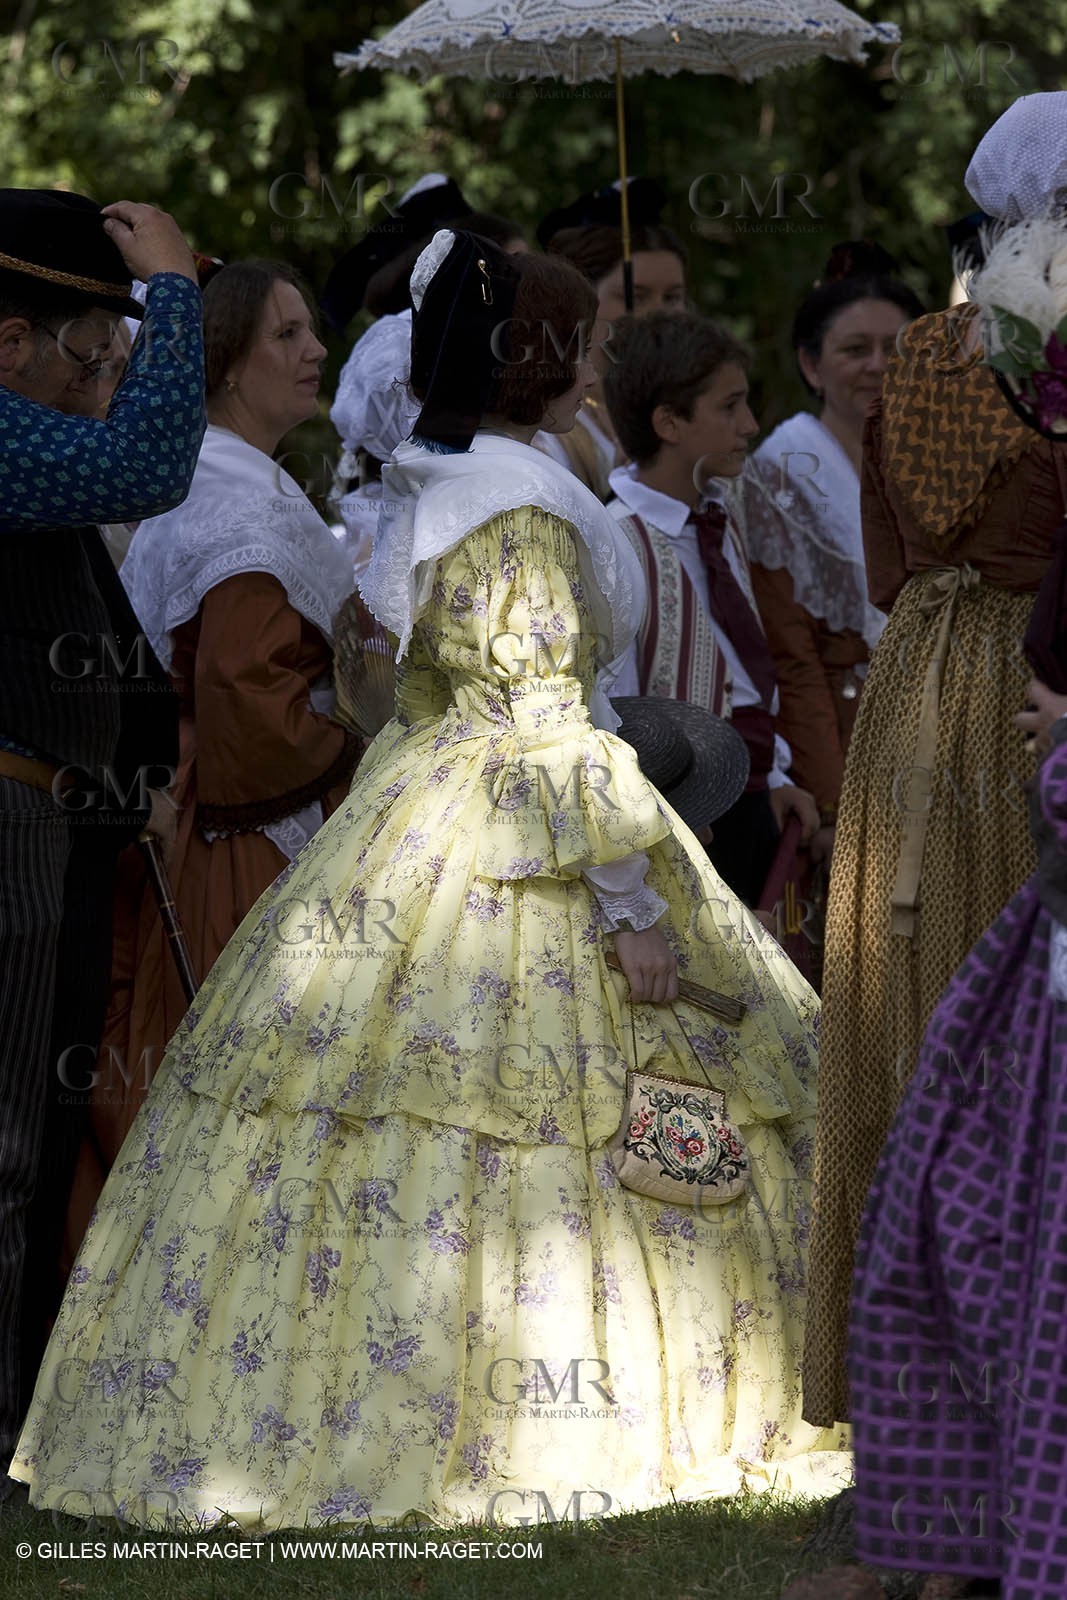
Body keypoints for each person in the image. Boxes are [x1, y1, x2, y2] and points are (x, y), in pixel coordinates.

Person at [10, 230, 848, 1527]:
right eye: (573, 345)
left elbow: (396, 675)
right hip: (523, 824)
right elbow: (551, 721)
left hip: (413, 813)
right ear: (541, 361)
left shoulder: (436, 481)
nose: (589, 368)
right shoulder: (520, 506)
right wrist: (630, 911)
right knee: (568, 1104)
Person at [803, 93, 1067, 1432]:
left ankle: (905, 1392)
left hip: (914, 681)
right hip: (1031, 679)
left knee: (906, 1009)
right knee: (1017, 1015)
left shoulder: (910, 352)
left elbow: (888, 560)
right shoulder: (1054, 350)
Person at [61, 259, 362, 1276]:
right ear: (228, 365)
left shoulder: (240, 477)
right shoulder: (225, 496)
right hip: (238, 840)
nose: (315, 350)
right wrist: (365, 740)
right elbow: (247, 711)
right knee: (243, 1102)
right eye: (286, 335)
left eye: (311, 329)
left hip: (227, 819)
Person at [0, 188, 205, 1477]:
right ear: (7, 344)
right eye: (97, 357)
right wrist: (177, 291)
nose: (108, 387)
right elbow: (149, 464)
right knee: (6, 1152)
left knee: (27, 1145)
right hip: (11, 822)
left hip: (54, 825)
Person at [602, 310, 819, 908]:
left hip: (745, 800)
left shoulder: (718, 521)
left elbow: (743, 669)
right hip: (674, 817)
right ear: (669, 422)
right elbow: (607, 708)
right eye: (729, 407)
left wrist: (774, 776)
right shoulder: (614, 540)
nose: (750, 424)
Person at [744, 243, 924, 855]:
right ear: (811, 365)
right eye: (855, 349)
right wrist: (831, 798)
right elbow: (790, 654)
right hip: (844, 743)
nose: (878, 365)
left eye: (896, 349)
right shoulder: (779, 472)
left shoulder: (939, 462)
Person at [536, 178, 687, 499]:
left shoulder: (691, 407)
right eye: (635, 296)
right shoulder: (548, 428)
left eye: (672, 297)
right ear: (579, 299)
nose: (658, 315)